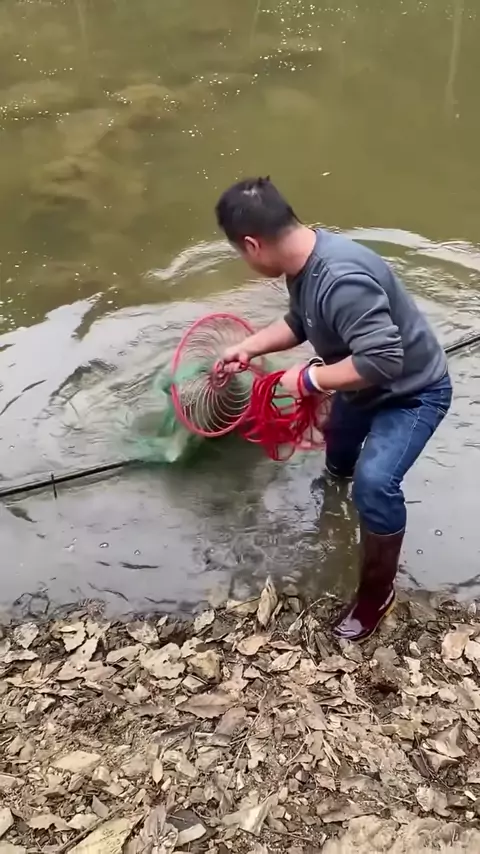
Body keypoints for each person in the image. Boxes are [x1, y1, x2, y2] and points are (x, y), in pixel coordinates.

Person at [215, 176, 452, 642]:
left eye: (241, 253)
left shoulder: (342, 279)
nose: (246, 262)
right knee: (338, 450)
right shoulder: (303, 262)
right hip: (361, 388)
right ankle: (335, 491)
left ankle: (377, 593)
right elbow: (300, 321)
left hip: (411, 394)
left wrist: (307, 380)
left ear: (252, 244)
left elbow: (383, 361)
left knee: (375, 483)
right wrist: (248, 347)